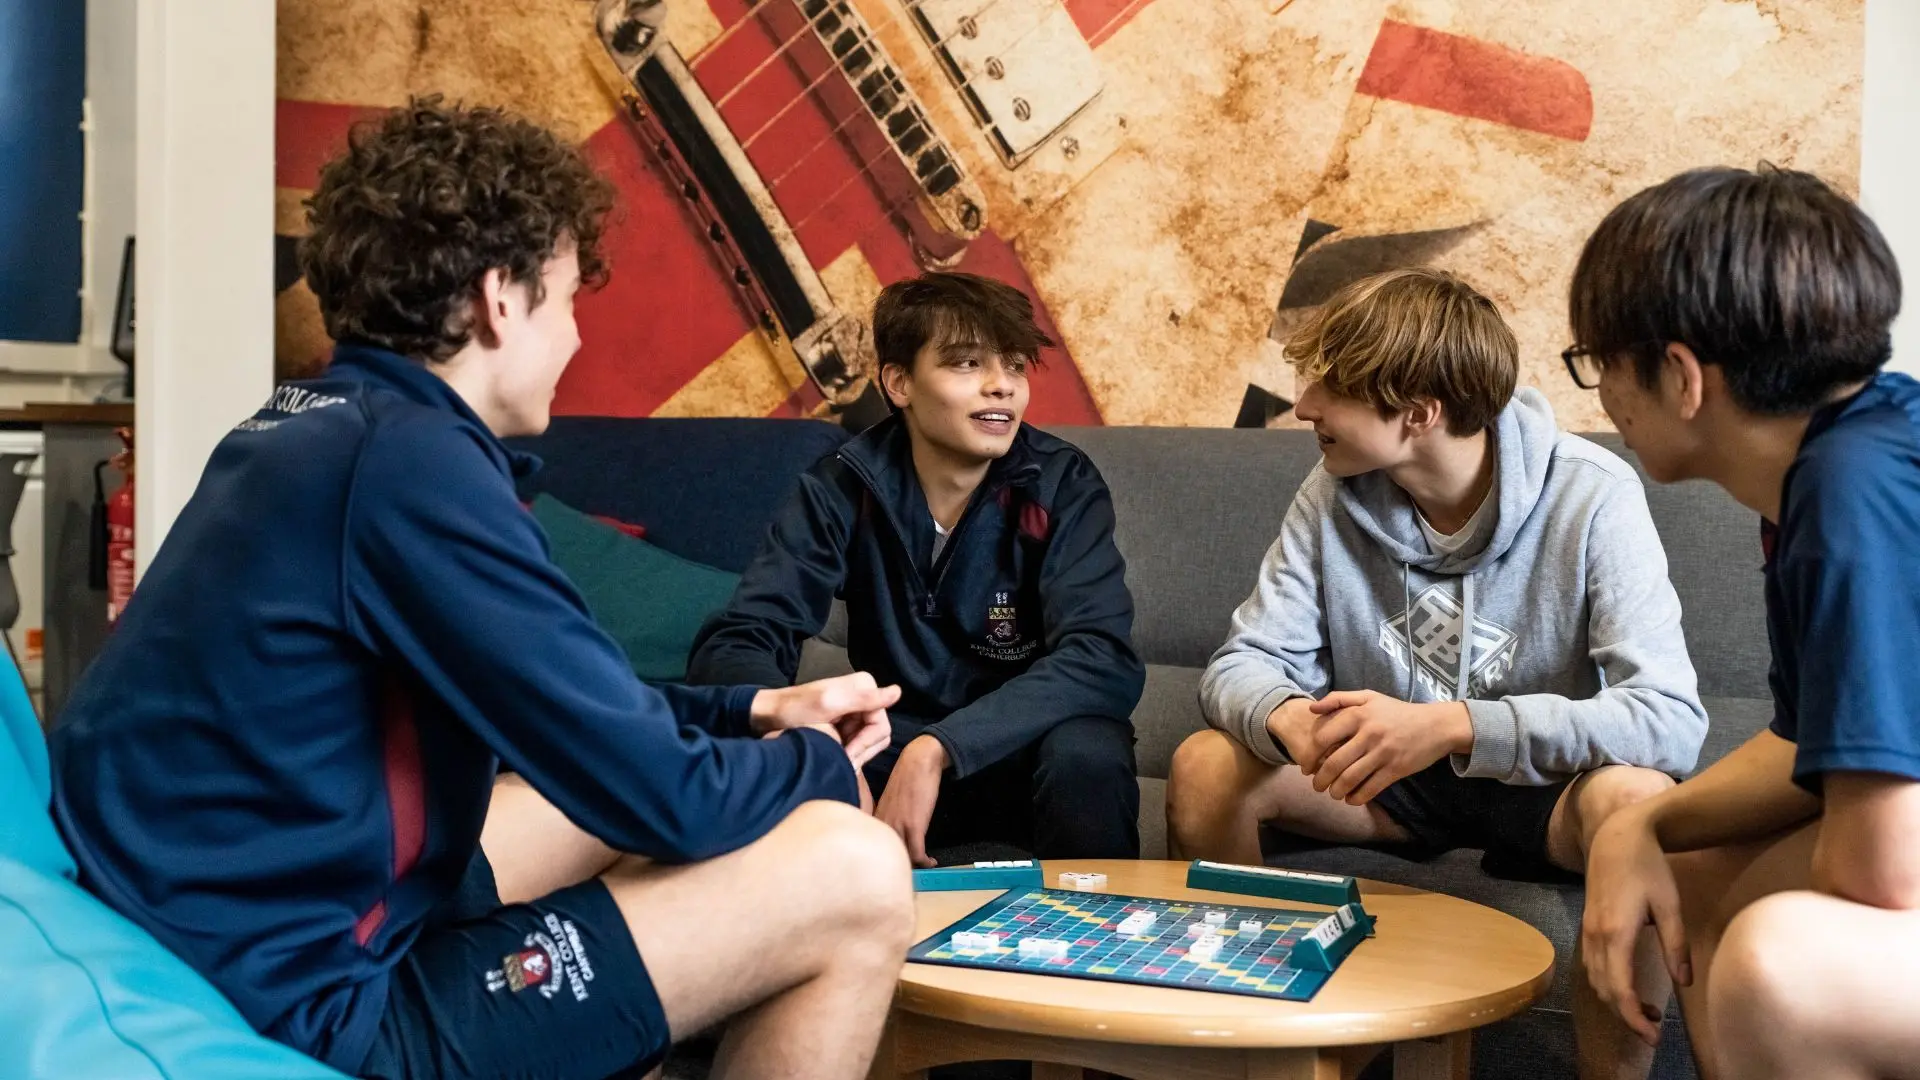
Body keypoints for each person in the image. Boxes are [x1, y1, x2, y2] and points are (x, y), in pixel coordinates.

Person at [49, 98, 915, 1080]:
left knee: (589, 805)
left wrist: (751, 710)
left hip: (208, 912)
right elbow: (662, 797)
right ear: (503, 297)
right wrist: (814, 761)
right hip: (293, 999)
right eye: (566, 298)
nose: (577, 338)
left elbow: (581, 721)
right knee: (856, 870)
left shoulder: (323, 427)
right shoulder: (415, 473)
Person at [1169, 267, 1705, 882]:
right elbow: (1241, 665)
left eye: (1333, 388)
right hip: (1383, 781)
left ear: (1420, 414)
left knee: (1636, 803)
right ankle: (1243, 975)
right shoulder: (1331, 491)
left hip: (1543, 784)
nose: (1305, 406)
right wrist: (1287, 717)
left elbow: (1668, 720)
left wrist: (1454, 726)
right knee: (1204, 767)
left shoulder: (1594, 494)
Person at [1572, 166, 1920, 1080]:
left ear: (1682, 376)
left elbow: (1881, 869)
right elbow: (1815, 745)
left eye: (1599, 362)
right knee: (1701, 884)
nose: (1601, 393)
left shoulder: (1855, 497)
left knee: (1784, 962)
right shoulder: (1836, 465)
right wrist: (1637, 829)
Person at [688, 271, 1145, 867]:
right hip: (889, 743)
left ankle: (1100, 939)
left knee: (1088, 749)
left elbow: (1102, 657)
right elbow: (739, 640)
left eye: (1013, 365)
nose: (1001, 387)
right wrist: (817, 740)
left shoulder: (1062, 484)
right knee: (751, 733)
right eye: (966, 365)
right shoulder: (841, 488)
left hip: (1022, 753)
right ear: (899, 382)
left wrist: (938, 748)